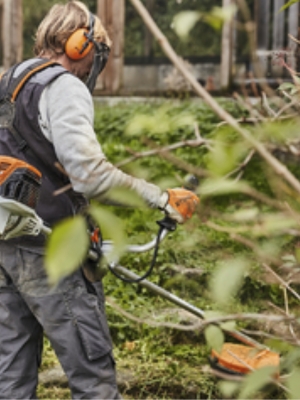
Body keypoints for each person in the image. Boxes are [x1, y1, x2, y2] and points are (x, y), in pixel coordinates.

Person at [0, 1, 199, 399]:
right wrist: (160, 199)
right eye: (97, 52)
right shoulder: (64, 86)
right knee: (93, 378)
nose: (93, 65)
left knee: (11, 377)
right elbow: (90, 176)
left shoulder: (11, 79)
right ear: (80, 45)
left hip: (6, 243)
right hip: (49, 250)